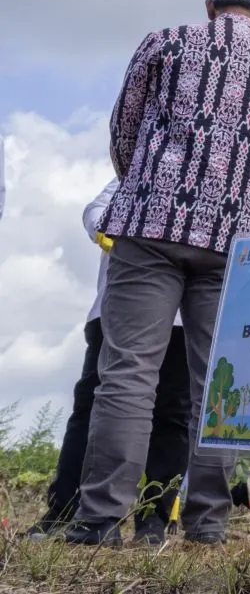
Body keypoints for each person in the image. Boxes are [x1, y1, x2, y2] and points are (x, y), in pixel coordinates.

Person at [66, 0, 250, 547]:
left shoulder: (164, 43)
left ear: (210, 5)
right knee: (215, 388)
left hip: (150, 226)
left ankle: (99, 522)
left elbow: (124, 132)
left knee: (127, 374)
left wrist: (151, 184)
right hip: (231, 243)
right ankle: (207, 527)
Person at [27, 178, 191, 544]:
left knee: (173, 415)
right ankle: (65, 509)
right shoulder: (141, 167)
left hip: (183, 320)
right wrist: (124, 234)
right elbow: (95, 211)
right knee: (90, 408)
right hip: (117, 309)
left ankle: (153, 520)